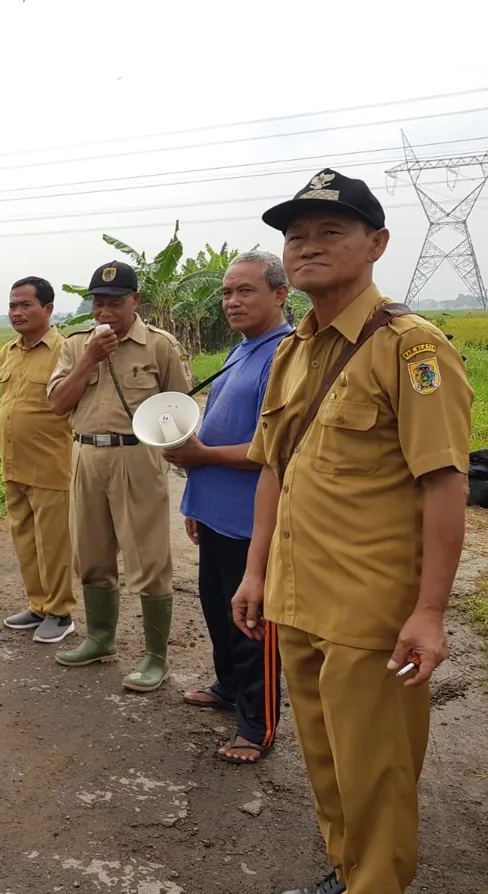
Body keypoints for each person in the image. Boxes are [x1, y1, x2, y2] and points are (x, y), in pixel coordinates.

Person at [232, 169, 471, 894]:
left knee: (377, 773)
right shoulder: (294, 348)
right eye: (295, 235)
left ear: (377, 243)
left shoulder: (412, 347)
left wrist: (430, 612)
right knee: (329, 764)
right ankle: (348, 875)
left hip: (372, 610)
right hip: (299, 600)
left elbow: (444, 485)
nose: (308, 247)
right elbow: (277, 465)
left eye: (330, 231)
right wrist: (255, 570)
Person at [164, 251, 293, 764]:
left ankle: (257, 723)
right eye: (226, 292)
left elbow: (273, 449)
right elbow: (220, 424)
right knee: (218, 611)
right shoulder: (244, 351)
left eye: (246, 291)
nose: (232, 301)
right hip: (215, 510)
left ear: (281, 295)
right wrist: (197, 496)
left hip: (249, 521)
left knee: (251, 621)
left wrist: (201, 455)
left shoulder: (282, 355)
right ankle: (227, 687)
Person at [47, 261, 192, 691]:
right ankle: (100, 638)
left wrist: (176, 455)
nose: (104, 312)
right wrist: (90, 358)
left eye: (114, 302)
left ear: (135, 302)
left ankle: (154, 656)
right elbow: (57, 404)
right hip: (86, 454)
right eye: (98, 303)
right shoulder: (75, 345)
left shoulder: (159, 346)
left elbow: (177, 410)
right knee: (91, 553)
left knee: (147, 557)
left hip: (136, 456)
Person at [0, 276, 77, 643]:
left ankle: (61, 613)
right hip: (13, 463)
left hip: (50, 463)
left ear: (47, 309)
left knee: (53, 541)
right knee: (24, 538)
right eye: (13, 305)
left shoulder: (65, 350)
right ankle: (38, 604)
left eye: (25, 305)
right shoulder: (7, 352)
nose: (17, 312)